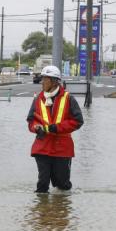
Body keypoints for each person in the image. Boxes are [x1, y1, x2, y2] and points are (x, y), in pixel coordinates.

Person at [26, 65, 84, 193]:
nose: (42, 82)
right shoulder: (38, 99)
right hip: (42, 147)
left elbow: (78, 121)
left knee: (62, 185)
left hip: (62, 148)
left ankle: (60, 210)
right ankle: (43, 211)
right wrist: (36, 128)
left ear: (54, 81)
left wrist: (56, 128)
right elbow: (31, 121)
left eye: (45, 79)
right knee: (42, 184)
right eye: (42, 79)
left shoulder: (68, 98)